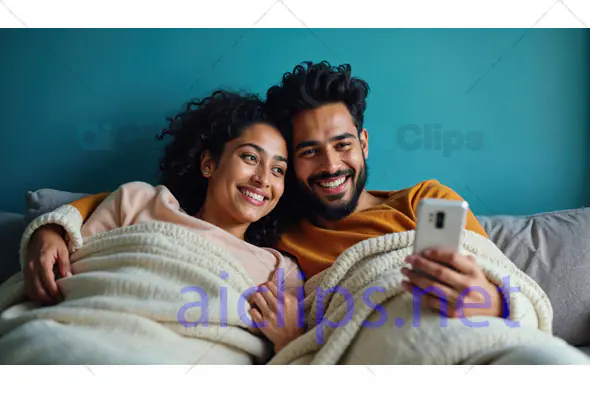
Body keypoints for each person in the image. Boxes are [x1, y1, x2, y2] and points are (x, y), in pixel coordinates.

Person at [26, 62, 590, 364]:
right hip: (382, 344)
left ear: (364, 144)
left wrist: (492, 298)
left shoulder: (424, 201)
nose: (329, 164)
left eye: (342, 144)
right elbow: (111, 211)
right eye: (307, 152)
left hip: (469, 325)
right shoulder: (279, 240)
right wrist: (51, 226)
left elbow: (490, 271)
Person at [22, 90, 304, 354]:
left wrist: (289, 340)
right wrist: (51, 230)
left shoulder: (279, 269)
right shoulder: (141, 201)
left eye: (278, 169)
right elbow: (78, 273)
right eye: (250, 157)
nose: (263, 179)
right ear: (209, 164)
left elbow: (295, 358)